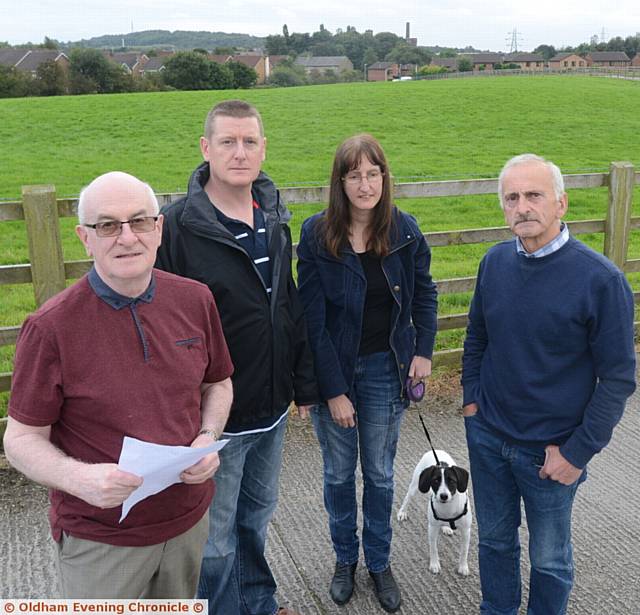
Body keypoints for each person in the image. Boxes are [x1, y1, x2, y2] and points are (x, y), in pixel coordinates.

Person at [3, 171, 234, 599]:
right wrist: (82, 480)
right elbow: (20, 439)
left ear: (159, 229)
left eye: (139, 221)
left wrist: (207, 436)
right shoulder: (50, 329)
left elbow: (218, 383)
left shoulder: (196, 299)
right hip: (102, 538)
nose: (127, 237)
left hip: (187, 521)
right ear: (84, 239)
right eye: (108, 225)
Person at [155, 99, 317, 615]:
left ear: (263, 149)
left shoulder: (274, 218)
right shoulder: (176, 228)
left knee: (256, 518)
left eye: (250, 141)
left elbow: (286, 304)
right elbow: (160, 325)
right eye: (228, 141)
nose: (240, 152)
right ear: (206, 149)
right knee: (217, 538)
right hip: (215, 418)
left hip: (270, 409)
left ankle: (260, 603)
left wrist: (303, 385)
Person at [461, 154, 636, 615]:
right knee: (495, 542)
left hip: (551, 454)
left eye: (533, 195)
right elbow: (477, 336)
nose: (522, 207)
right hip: (488, 437)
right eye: (511, 197)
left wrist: (577, 453)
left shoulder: (601, 281)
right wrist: (471, 404)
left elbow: (618, 378)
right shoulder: (494, 263)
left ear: (561, 203)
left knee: (550, 559)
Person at [296, 134, 438, 613]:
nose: (365, 184)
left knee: (378, 475)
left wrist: (423, 351)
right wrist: (333, 391)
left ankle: (379, 563)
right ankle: (344, 560)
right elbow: (312, 321)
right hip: (335, 368)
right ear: (340, 182)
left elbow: (426, 296)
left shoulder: (404, 231)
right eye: (354, 175)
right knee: (339, 474)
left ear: (384, 177)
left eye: (372, 173)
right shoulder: (317, 235)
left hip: (385, 368)